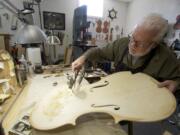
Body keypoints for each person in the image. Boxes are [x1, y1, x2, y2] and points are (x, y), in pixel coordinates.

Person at [72, 13, 180, 93]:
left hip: (141, 101)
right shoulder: (122, 43)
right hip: (117, 91)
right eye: (132, 38)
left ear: (154, 44)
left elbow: (177, 78)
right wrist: (83, 58)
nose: (132, 45)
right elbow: (99, 52)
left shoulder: (166, 57)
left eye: (140, 43)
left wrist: (176, 83)